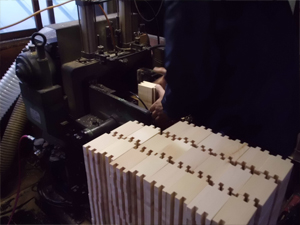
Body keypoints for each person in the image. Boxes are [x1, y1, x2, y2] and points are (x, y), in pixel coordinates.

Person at [150, 1, 299, 158]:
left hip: (241, 132)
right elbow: (239, 42)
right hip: (281, 117)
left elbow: (187, 70)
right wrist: (173, 76)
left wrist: (168, 106)